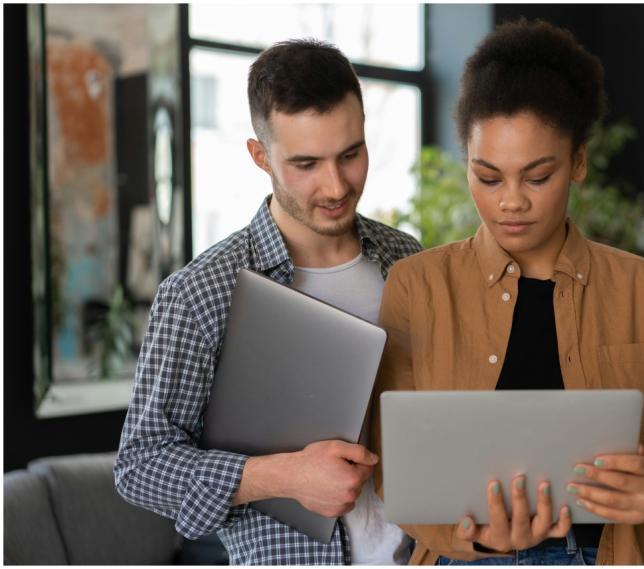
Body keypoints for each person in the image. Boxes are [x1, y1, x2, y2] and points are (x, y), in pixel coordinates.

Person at [371, 19, 644, 565]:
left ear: (577, 162)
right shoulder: (417, 287)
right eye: (488, 177)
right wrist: (480, 537)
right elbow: (394, 470)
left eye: (536, 177)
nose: (511, 201)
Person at [115, 39, 421, 565]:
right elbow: (140, 466)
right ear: (261, 156)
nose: (336, 185)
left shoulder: (407, 259)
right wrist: (283, 476)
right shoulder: (202, 292)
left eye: (351, 154)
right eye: (306, 163)